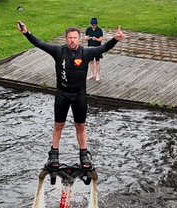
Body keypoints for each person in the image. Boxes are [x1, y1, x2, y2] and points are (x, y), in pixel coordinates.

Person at [19, 20, 123, 171]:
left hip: (79, 95)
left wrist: (115, 39)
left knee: (80, 126)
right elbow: (39, 44)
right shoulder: (58, 51)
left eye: (75, 38)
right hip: (62, 94)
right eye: (69, 38)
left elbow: (104, 47)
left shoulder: (86, 53)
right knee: (58, 125)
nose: (72, 40)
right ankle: (54, 154)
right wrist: (26, 33)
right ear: (66, 38)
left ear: (79, 39)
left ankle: (84, 155)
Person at [85, 18, 105, 82]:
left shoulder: (99, 30)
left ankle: (98, 75)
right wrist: (88, 38)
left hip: (97, 48)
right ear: (90, 24)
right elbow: (85, 38)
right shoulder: (88, 30)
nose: (93, 26)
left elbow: (101, 39)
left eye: (94, 24)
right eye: (92, 24)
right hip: (90, 48)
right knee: (91, 62)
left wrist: (95, 39)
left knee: (97, 62)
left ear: (96, 24)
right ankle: (91, 74)